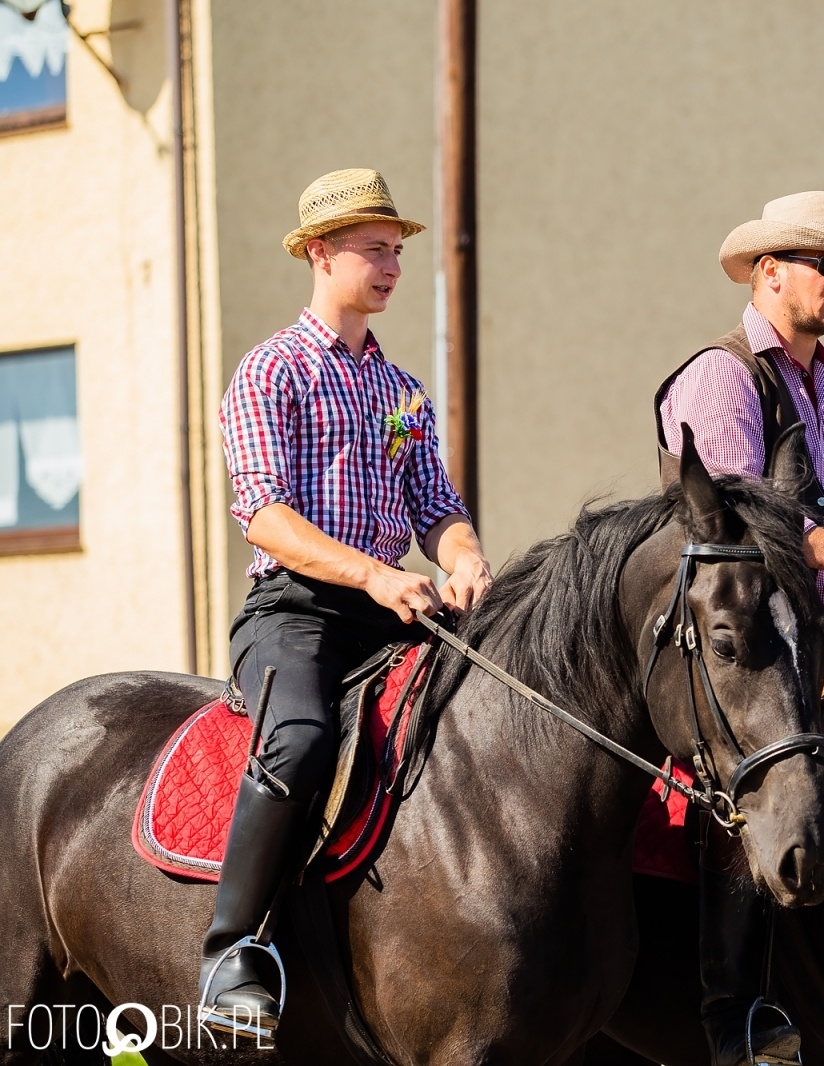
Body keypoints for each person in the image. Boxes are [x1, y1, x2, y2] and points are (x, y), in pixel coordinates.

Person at [203, 169, 492, 1034]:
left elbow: (436, 508)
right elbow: (265, 516)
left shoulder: (403, 391)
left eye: (397, 251)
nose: (393, 267)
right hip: (293, 611)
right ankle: (231, 951)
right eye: (375, 250)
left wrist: (467, 559)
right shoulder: (270, 371)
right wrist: (373, 574)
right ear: (321, 254)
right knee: (299, 740)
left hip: (392, 607)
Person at [655, 190, 824, 1066]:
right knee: (758, 782)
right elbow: (744, 520)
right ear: (769, 271)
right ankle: (733, 1012)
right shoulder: (722, 375)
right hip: (747, 642)